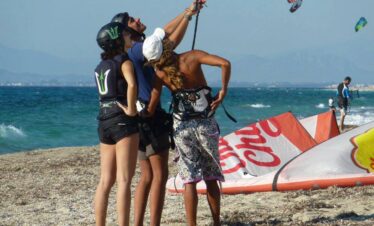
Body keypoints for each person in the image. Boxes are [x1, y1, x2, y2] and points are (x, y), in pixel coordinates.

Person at [112, 1, 206, 225]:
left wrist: (187, 13)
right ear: (127, 31)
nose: (137, 19)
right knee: (159, 175)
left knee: (146, 176)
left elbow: (162, 34)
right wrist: (188, 16)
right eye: (132, 20)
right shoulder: (136, 49)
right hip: (150, 116)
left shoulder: (128, 51)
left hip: (135, 118)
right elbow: (169, 44)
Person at [142, 27, 231, 226]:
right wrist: (223, 91)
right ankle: (216, 222)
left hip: (181, 127)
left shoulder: (160, 73)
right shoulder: (193, 57)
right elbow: (225, 64)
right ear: (167, 45)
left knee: (189, 178)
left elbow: (153, 102)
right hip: (205, 124)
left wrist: (140, 113)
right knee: (211, 175)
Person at [94, 22, 139, 226]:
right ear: (118, 40)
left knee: (105, 181)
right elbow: (132, 84)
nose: (130, 36)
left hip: (104, 120)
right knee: (123, 181)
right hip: (122, 121)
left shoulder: (100, 66)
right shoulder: (124, 61)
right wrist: (131, 108)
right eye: (126, 34)